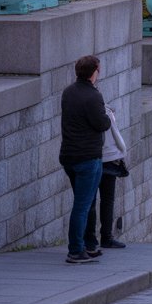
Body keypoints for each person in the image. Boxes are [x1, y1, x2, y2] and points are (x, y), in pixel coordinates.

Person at [59, 55, 111, 264]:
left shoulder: (68, 92)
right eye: (99, 70)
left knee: (87, 203)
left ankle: (90, 245)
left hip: (68, 155)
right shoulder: (93, 96)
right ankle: (75, 250)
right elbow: (102, 124)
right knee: (82, 205)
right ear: (94, 72)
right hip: (88, 157)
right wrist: (107, 116)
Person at [90, 101, 129, 250]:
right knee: (105, 199)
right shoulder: (103, 110)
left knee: (94, 200)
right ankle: (104, 237)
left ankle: (93, 239)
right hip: (105, 158)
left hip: (96, 157)